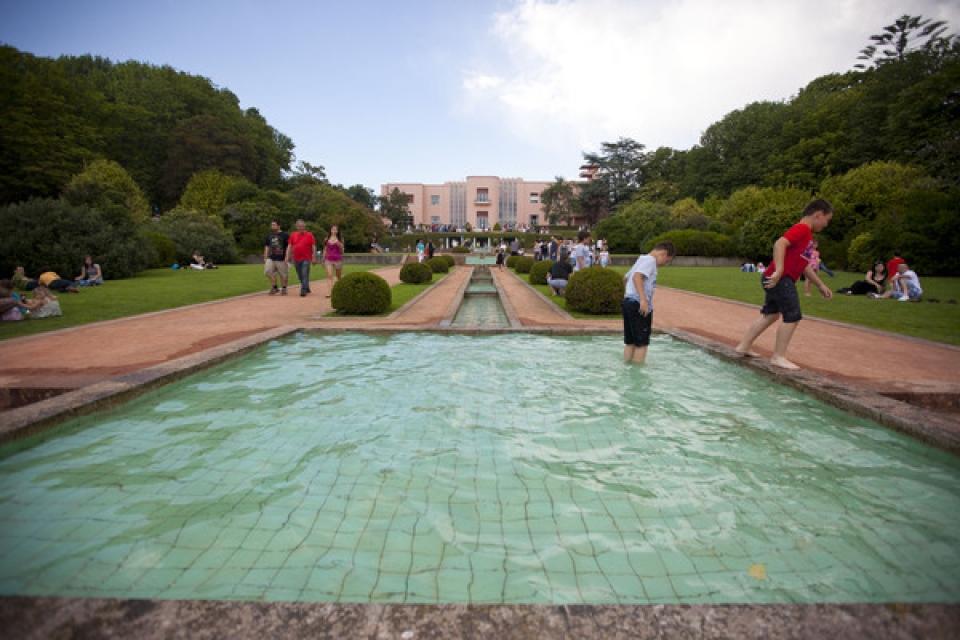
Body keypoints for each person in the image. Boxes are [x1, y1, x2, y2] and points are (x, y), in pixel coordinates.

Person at [735, 199, 834, 370]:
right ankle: (778, 357)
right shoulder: (802, 229)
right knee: (793, 315)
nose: (826, 224)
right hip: (781, 278)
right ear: (818, 215)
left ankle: (743, 346)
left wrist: (820, 285)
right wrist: (780, 269)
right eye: (827, 219)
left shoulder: (808, 236)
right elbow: (780, 243)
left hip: (774, 278)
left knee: (771, 314)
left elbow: (804, 265)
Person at [622, 241, 676, 364]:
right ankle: (637, 377)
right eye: (667, 261)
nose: (665, 264)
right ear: (663, 254)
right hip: (637, 304)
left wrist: (628, 296)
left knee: (630, 342)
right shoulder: (650, 261)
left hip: (628, 302)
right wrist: (643, 300)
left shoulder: (641, 259)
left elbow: (626, 278)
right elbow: (637, 277)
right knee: (641, 344)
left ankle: (627, 367)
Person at [288, 219, 317, 297]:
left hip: (306, 258)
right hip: (296, 258)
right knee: (300, 275)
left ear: (304, 226)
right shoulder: (293, 235)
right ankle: (306, 286)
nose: (301, 228)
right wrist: (288, 256)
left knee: (304, 274)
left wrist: (314, 257)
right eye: (299, 226)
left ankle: (303, 290)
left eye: (302, 226)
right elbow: (290, 246)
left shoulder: (310, 235)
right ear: (297, 227)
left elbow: (313, 246)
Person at [263, 220, 290, 295]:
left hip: (281, 258)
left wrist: (287, 256)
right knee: (267, 271)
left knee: (283, 274)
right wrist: (265, 256)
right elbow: (267, 246)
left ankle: (284, 288)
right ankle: (275, 287)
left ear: (279, 226)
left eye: (274, 225)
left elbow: (289, 246)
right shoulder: (269, 235)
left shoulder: (285, 235)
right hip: (271, 257)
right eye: (272, 225)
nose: (272, 226)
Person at [322, 224, 345, 298]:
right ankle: (330, 292)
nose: (334, 231)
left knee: (338, 277)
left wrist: (338, 243)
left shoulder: (340, 239)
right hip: (328, 260)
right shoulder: (326, 239)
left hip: (338, 259)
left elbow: (342, 251)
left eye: (335, 229)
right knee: (329, 276)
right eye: (333, 229)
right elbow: (325, 249)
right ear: (330, 230)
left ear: (337, 231)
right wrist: (323, 259)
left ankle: (340, 289)